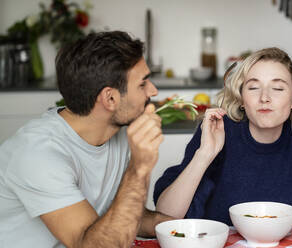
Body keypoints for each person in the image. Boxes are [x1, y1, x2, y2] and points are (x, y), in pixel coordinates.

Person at [154, 47, 292, 227]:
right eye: (254, 87)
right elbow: (167, 215)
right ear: (241, 98)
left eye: (277, 88)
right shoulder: (220, 129)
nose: (264, 97)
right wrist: (205, 154)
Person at [0, 31, 173, 248]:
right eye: (143, 83)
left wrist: (175, 226)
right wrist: (139, 168)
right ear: (110, 98)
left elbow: (120, 215)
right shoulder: (38, 154)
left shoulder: (116, 133)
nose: (153, 91)